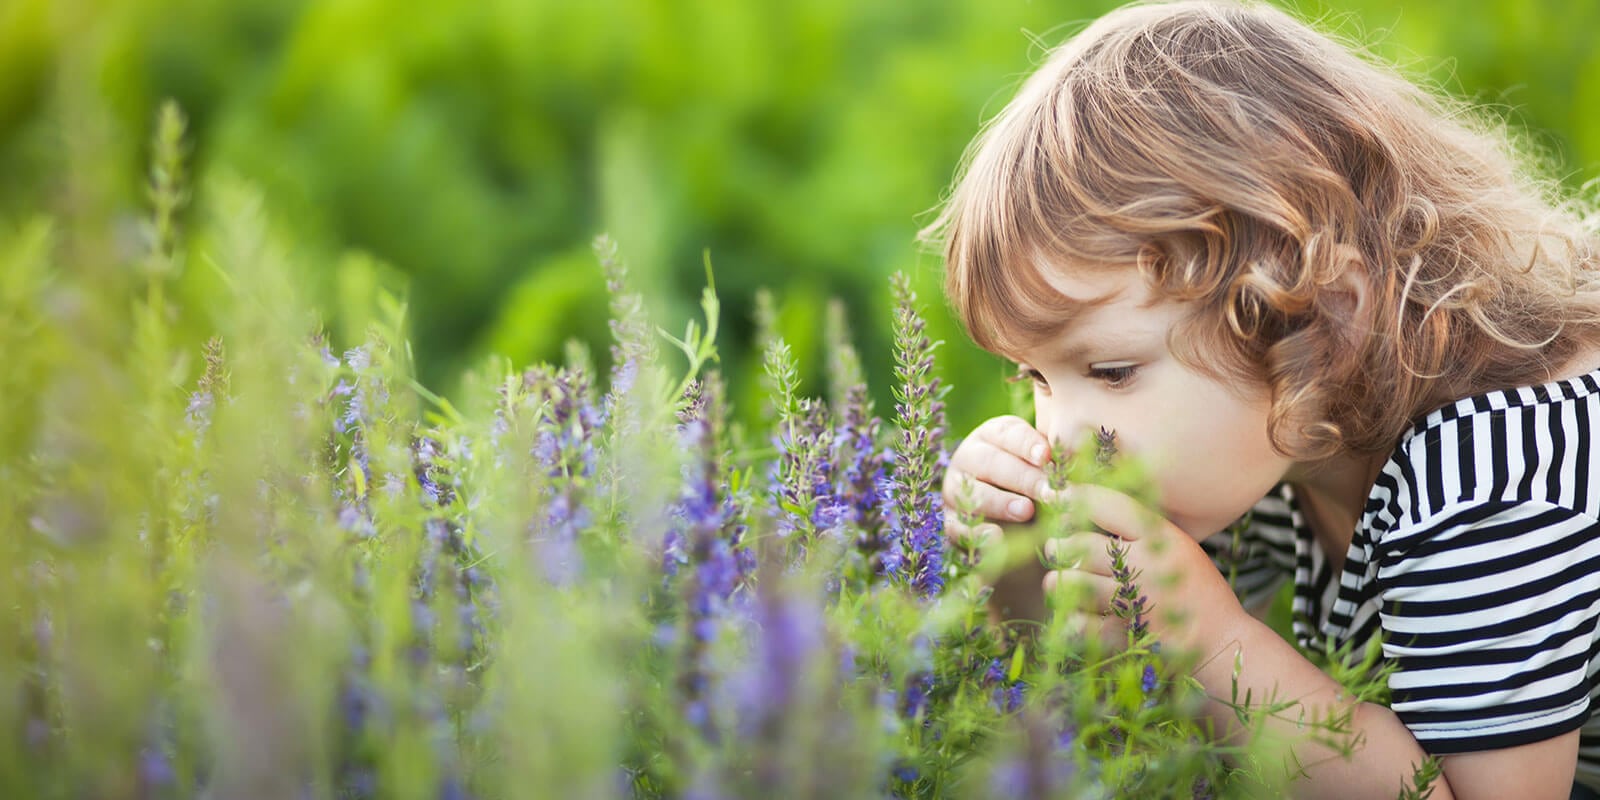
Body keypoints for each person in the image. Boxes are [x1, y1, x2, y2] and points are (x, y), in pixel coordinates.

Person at [923, 1, 1600, 797]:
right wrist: (1022, 574)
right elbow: (1108, 706)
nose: (1063, 436)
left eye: (1110, 372)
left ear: (1324, 317)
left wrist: (1212, 642)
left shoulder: (1488, 488)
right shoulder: (1276, 429)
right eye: (1037, 378)